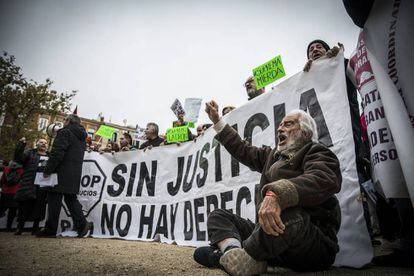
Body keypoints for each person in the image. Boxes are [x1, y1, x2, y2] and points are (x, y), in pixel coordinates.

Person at [193, 101, 342, 275]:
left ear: (305, 132)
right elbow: (242, 149)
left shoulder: (317, 152)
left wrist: (277, 195)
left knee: (287, 213)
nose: (280, 129)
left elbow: (323, 178)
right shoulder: (272, 156)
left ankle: (236, 258)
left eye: (288, 124)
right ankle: (232, 253)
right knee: (218, 216)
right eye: (279, 125)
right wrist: (217, 121)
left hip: (310, 243)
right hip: (271, 240)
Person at [36, 114, 92, 238]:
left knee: (53, 199)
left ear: (68, 121)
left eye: (64, 120)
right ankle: (82, 224)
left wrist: (48, 169)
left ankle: (50, 229)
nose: (63, 122)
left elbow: (57, 153)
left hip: (59, 173)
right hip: (73, 173)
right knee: (70, 199)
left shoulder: (65, 132)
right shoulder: (82, 137)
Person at [13, 138, 49, 235]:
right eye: (41, 142)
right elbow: (18, 158)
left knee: (39, 207)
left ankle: (35, 228)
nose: (43, 144)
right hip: (29, 183)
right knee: (24, 206)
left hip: (42, 186)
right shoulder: (30, 153)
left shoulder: (50, 156)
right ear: (36, 144)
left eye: (45, 143)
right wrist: (21, 145)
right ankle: (20, 227)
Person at [0, 160, 22, 232]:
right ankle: (8, 228)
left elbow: (2, 179)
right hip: (15, 191)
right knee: (12, 211)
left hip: (5, 191)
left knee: (1, 209)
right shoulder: (21, 169)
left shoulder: (7, 168)